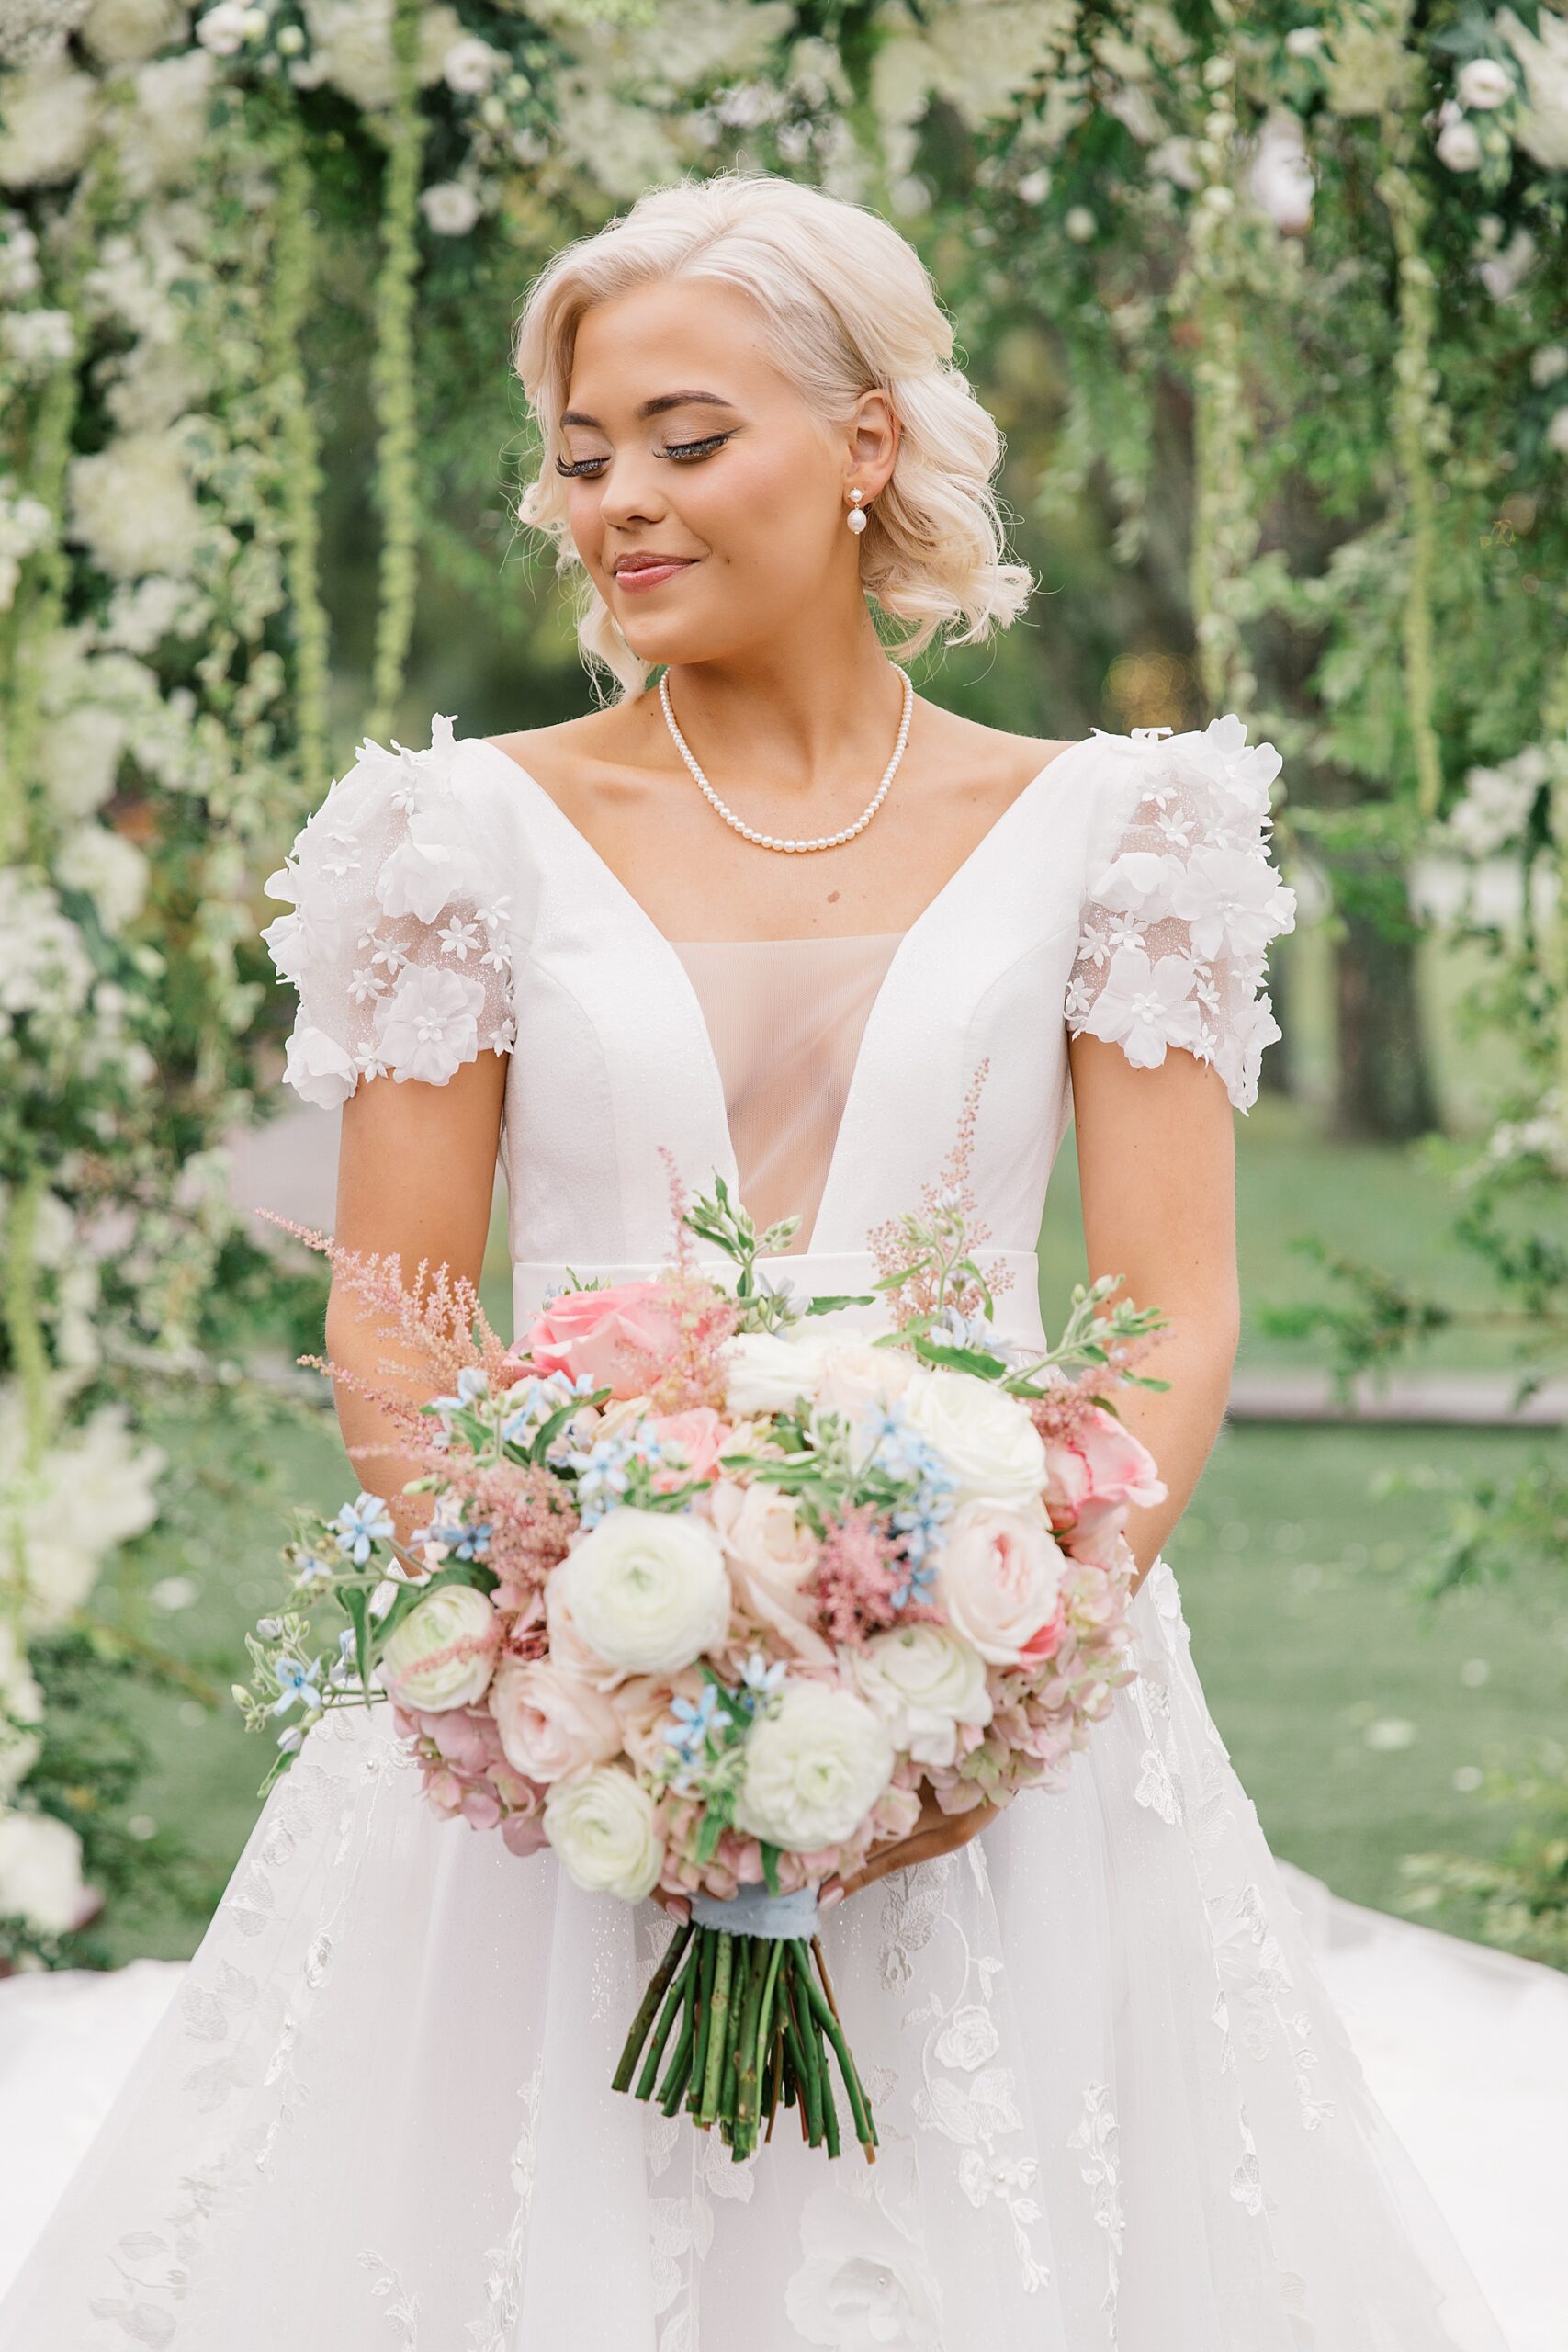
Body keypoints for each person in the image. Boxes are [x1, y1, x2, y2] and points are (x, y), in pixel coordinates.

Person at [0, 169, 1508, 2352]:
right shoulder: (458, 834)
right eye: (584, 451)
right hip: (554, 1730)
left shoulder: (1118, 829)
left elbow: (1169, 1300)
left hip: (1017, 1719)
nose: (616, 498)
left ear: (865, 445)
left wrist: (989, 1681)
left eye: (686, 439)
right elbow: (402, 1309)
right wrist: (558, 1686)